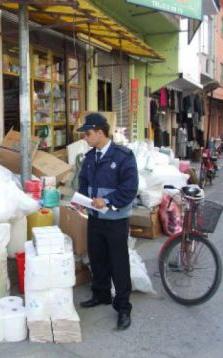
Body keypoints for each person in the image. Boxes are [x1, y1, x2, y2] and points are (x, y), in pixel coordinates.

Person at [77, 113, 138, 330]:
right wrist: (83, 199)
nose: (85, 137)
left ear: (100, 132)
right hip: (95, 218)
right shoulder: (89, 157)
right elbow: (83, 181)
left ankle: (123, 307)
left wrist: (108, 201)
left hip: (115, 220)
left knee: (118, 264)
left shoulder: (123, 156)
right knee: (98, 258)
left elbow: (130, 188)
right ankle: (101, 294)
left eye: (88, 133)